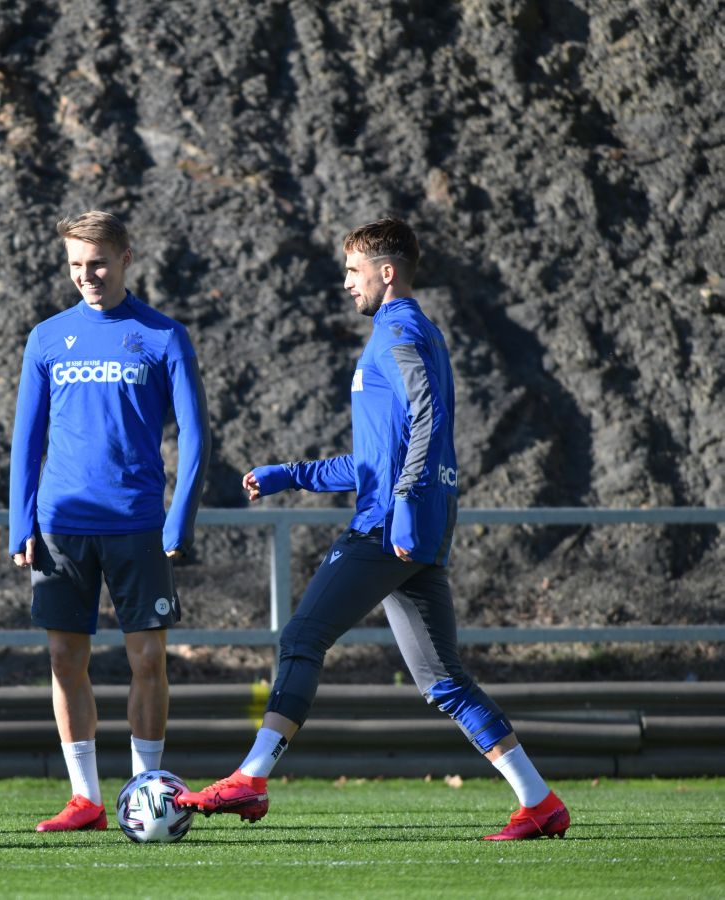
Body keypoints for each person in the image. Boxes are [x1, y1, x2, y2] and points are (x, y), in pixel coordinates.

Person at [177, 217, 570, 841]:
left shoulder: (401, 329)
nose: (345, 284)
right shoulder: (402, 333)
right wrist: (292, 474)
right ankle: (540, 801)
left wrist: (409, 499)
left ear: (387, 273)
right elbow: (374, 459)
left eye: (354, 272)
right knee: (443, 681)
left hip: (389, 526)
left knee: (303, 636)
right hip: (413, 526)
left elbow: (429, 416)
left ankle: (252, 777)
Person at [9, 211, 210, 832]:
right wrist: (21, 523)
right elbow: (27, 439)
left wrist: (179, 522)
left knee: (148, 657)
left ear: (127, 256)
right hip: (61, 523)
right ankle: (86, 799)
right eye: (74, 265)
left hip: (136, 523)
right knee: (65, 658)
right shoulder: (47, 338)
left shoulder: (162, 336)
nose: (86, 276)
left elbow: (197, 438)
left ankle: (149, 785)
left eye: (97, 263)